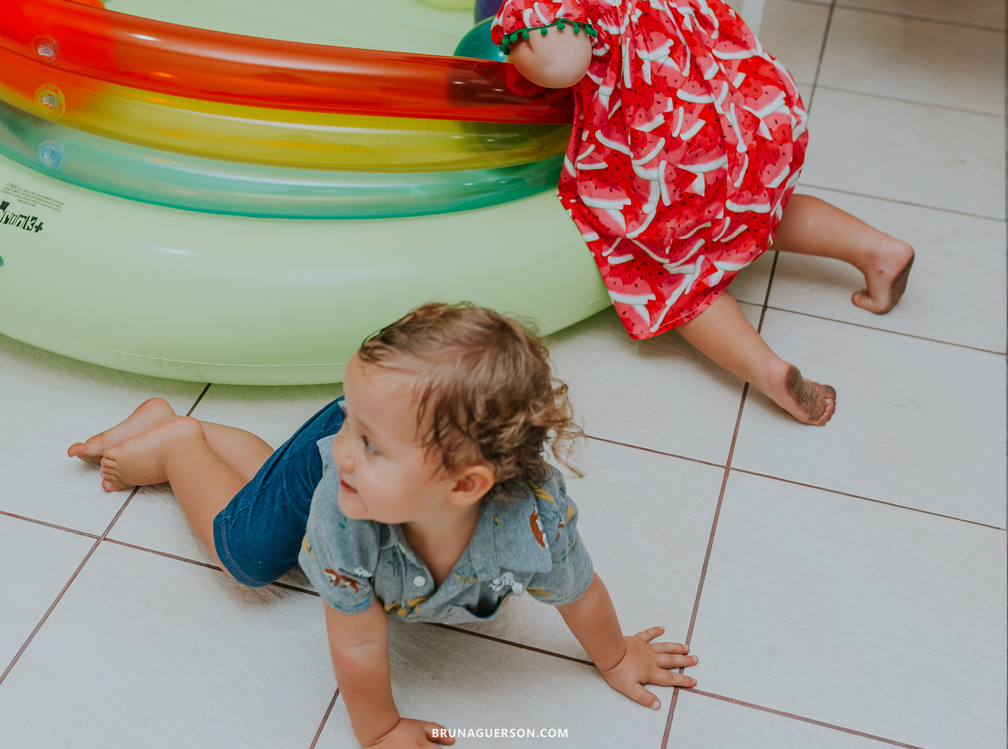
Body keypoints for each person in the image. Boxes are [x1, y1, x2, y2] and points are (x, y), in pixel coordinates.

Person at [455, 0, 915, 426]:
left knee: (671, 271)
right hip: (746, 111)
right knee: (758, 208)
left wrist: (518, 47)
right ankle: (877, 249)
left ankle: (768, 371)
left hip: (673, 151)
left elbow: (562, 66)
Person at [68, 303, 697, 748]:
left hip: (389, 439)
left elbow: (579, 590)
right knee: (253, 552)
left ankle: (200, 434)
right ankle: (179, 443)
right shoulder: (346, 507)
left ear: (464, 486)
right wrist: (381, 731)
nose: (342, 450)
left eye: (365, 443)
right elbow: (359, 641)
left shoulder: (533, 523)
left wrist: (615, 658)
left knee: (294, 498)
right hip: (377, 448)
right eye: (351, 427)